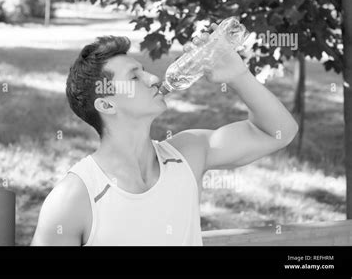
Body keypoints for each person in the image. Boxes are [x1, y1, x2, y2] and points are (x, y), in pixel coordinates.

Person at [31, 32, 298, 246]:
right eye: (134, 77)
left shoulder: (188, 153)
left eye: (144, 70)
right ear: (107, 105)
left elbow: (278, 132)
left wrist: (239, 76)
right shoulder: (74, 197)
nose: (153, 78)